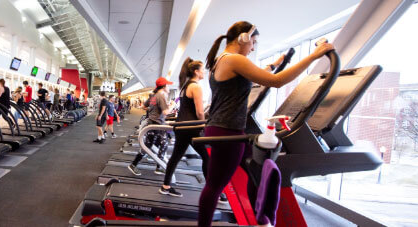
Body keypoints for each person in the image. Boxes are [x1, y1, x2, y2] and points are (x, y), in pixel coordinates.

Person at [196, 21, 333, 227]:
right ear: (243, 38)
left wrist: (275, 64)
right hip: (228, 130)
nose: (253, 48)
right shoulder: (234, 59)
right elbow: (276, 81)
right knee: (215, 185)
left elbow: (252, 76)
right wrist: (313, 56)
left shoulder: (222, 60)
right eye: (253, 42)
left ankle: (262, 220)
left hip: (226, 128)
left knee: (257, 172)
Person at [159, 58, 208, 197]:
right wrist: (203, 125)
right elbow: (199, 112)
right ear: (196, 72)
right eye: (202, 70)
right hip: (191, 128)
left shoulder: (186, 86)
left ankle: (166, 186)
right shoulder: (196, 87)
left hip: (182, 127)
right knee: (207, 157)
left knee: (175, 157)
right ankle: (213, 191)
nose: (204, 72)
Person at [128, 77, 175, 176]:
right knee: (162, 144)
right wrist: (172, 105)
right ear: (164, 86)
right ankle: (157, 166)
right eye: (168, 85)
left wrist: (152, 111)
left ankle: (138, 164)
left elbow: (144, 106)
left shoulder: (154, 95)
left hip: (153, 123)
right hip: (157, 124)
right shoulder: (161, 96)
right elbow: (166, 112)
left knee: (153, 145)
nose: (169, 87)